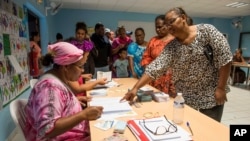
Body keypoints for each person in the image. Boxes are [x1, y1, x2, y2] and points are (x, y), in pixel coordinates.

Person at [121, 7, 232, 122]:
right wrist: (135, 88)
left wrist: (221, 88)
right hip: (186, 96)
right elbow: (154, 68)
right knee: (190, 127)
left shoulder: (207, 31)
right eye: (167, 24)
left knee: (210, 129)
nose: (169, 27)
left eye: (171, 22)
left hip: (211, 93)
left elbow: (226, 59)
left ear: (183, 18)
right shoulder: (172, 46)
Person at [24, 42, 103, 141]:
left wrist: (72, 101)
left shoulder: (57, 80)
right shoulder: (49, 87)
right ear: (66, 67)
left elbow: (55, 102)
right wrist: (84, 115)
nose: (82, 71)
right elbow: (47, 129)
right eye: (80, 66)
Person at [141, 15, 175, 96]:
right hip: (153, 78)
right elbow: (146, 57)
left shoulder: (174, 41)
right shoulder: (153, 40)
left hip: (170, 80)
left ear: (167, 26)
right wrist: (148, 69)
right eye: (156, 27)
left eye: (160, 27)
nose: (157, 30)